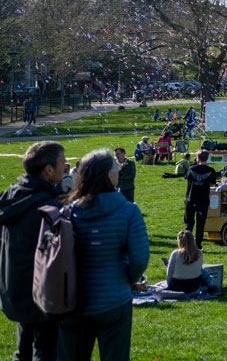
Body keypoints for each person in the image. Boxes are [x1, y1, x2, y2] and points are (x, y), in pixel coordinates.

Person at [58, 149, 149, 361]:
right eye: (115, 169)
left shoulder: (69, 211)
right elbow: (139, 259)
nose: (118, 171)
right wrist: (127, 279)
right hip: (115, 300)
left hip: (75, 298)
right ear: (109, 176)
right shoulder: (128, 211)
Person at [0, 141, 66, 361]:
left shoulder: (11, 197)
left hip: (14, 287)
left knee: (23, 352)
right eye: (62, 163)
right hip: (42, 292)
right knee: (46, 353)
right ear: (48, 170)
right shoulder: (48, 208)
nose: (65, 166)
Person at [184, 150, 219, 245]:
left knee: (189, 224)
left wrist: (195, 163)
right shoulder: (211, 170)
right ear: (207, 158)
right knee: (200, 224)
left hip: (191, 199)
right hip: (203, 200)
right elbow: (212, 184)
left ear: (197, 158)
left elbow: (187, 178)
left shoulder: (191, 169)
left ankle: (187, 245)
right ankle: (198, 245)